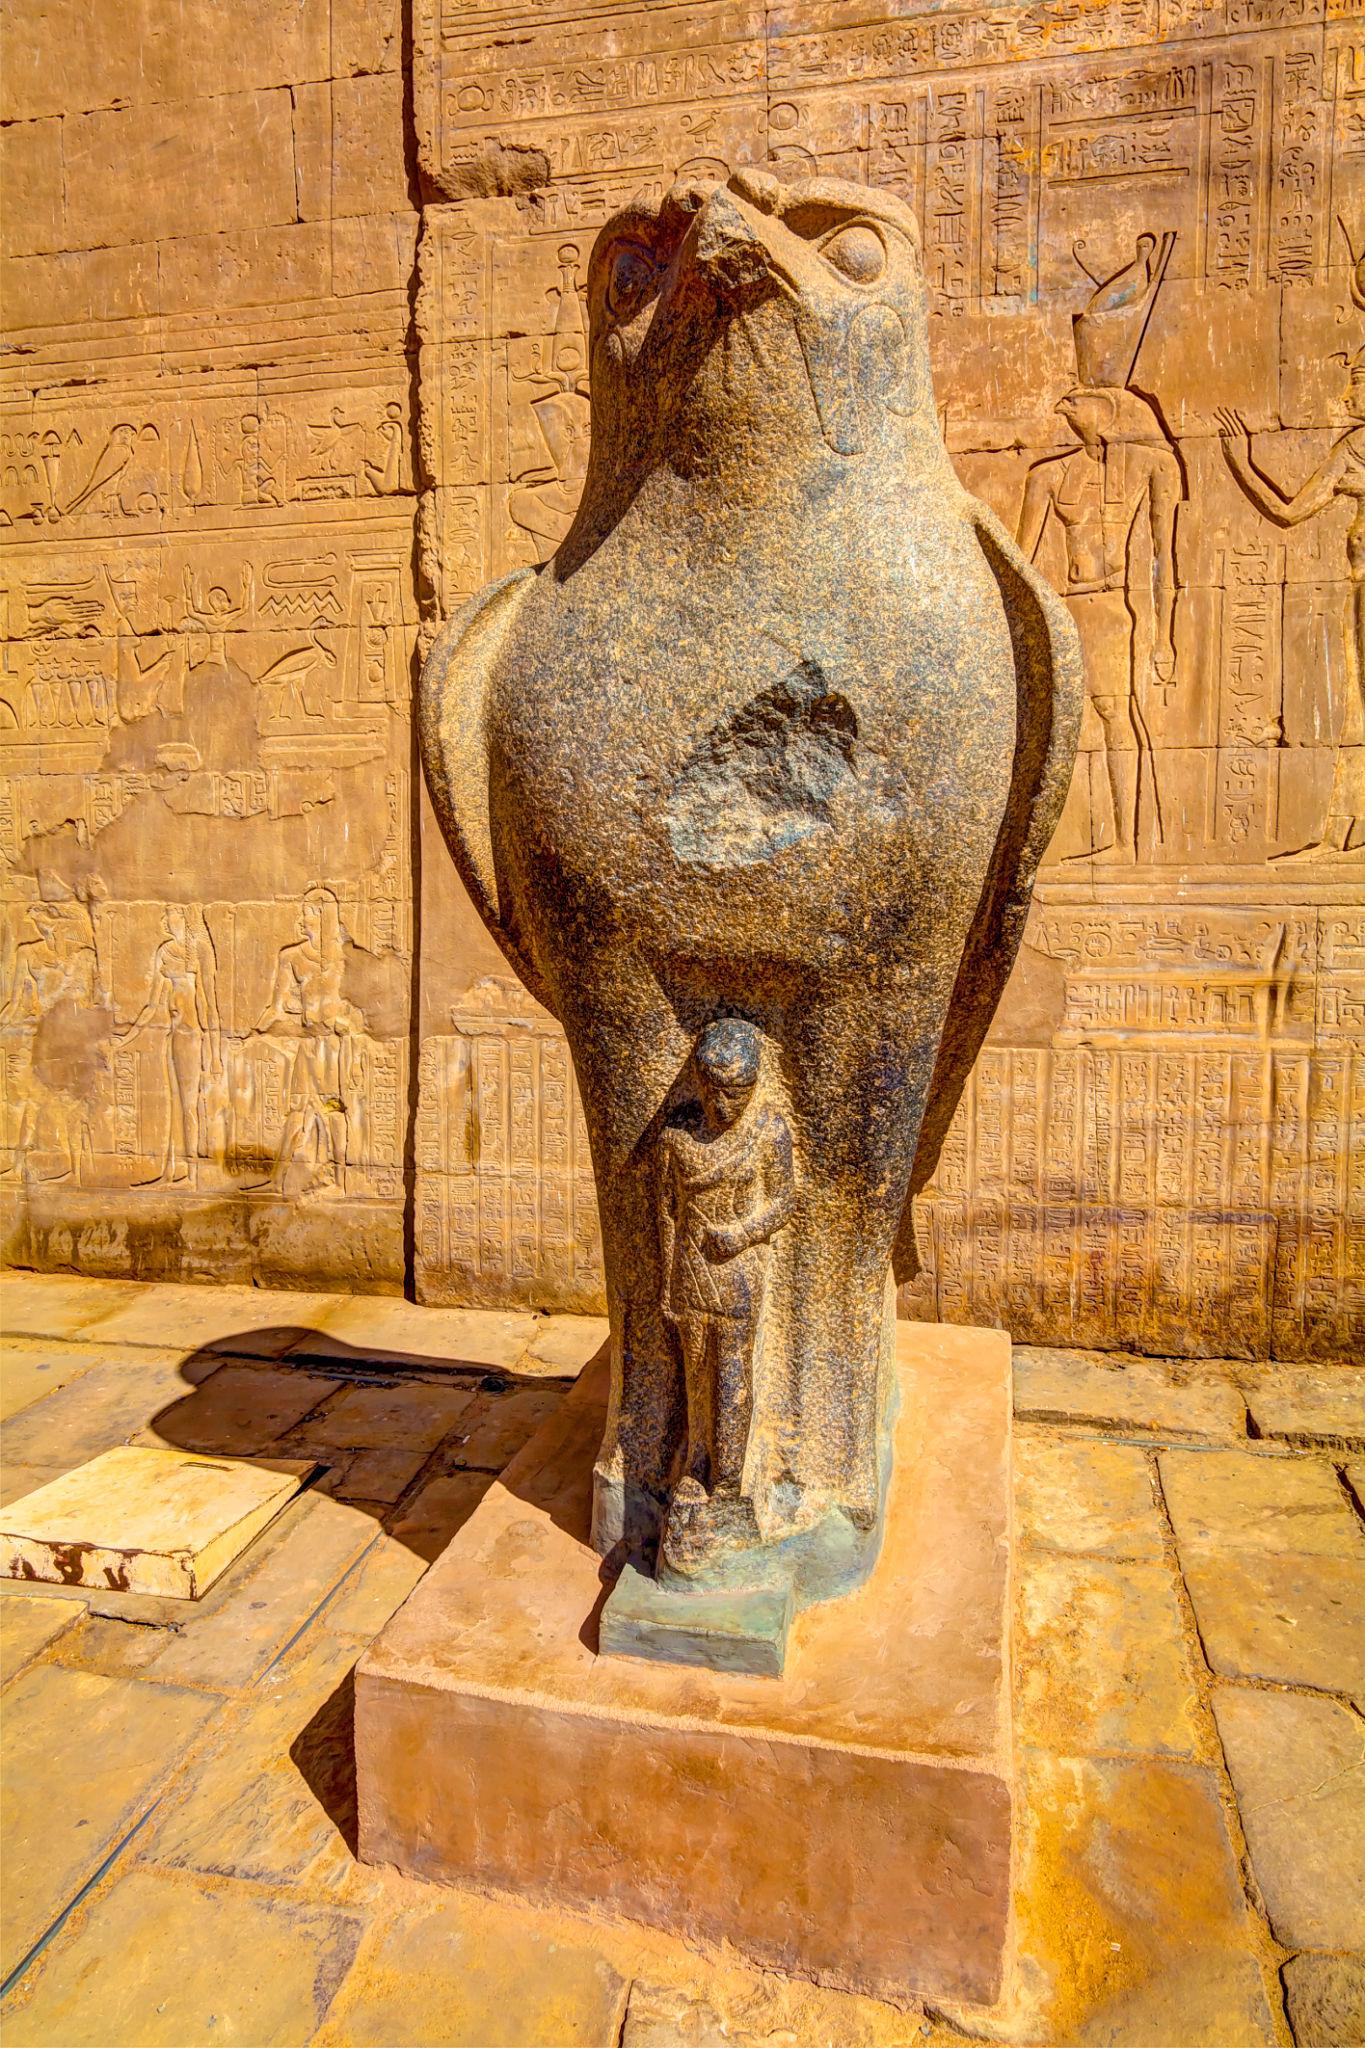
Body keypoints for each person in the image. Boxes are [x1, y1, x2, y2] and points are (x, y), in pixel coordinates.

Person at [657, 1017, 796, 1573]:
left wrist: (741, 1234)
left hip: (738, 1270)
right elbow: (666, 1213)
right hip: (692, 1270)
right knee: (695, 1371)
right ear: (698, 1082)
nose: (725, 1105)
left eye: (737, 1092)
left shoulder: (768, 1132)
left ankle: (732, 1478)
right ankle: (696, 1461)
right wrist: (668, 1279)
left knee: (733, 1373)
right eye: (715, 1091)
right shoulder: (677, 1137)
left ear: (754, 1087)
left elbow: (784, 1199)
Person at [1018, 385, 1181, 860]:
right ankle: (1053, 844)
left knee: (1114, 716)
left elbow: (1163, 557)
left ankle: (1127, 842)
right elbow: (1022, 559)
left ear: (1108, 410)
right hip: (1068, 609)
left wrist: (1164, 636)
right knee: (1064, 725)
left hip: (1110, 611)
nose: (1066, 405)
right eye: (1064, 397)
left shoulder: (1147, 467)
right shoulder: (1049, 475)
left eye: (1079, 397)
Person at [1218, 365, 1365, 858]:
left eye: (1360, 378)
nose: (1350, 392)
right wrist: (1241, 462)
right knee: (1356, 712)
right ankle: (1347, 832)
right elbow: (1287, 513)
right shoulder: (1352, 450)